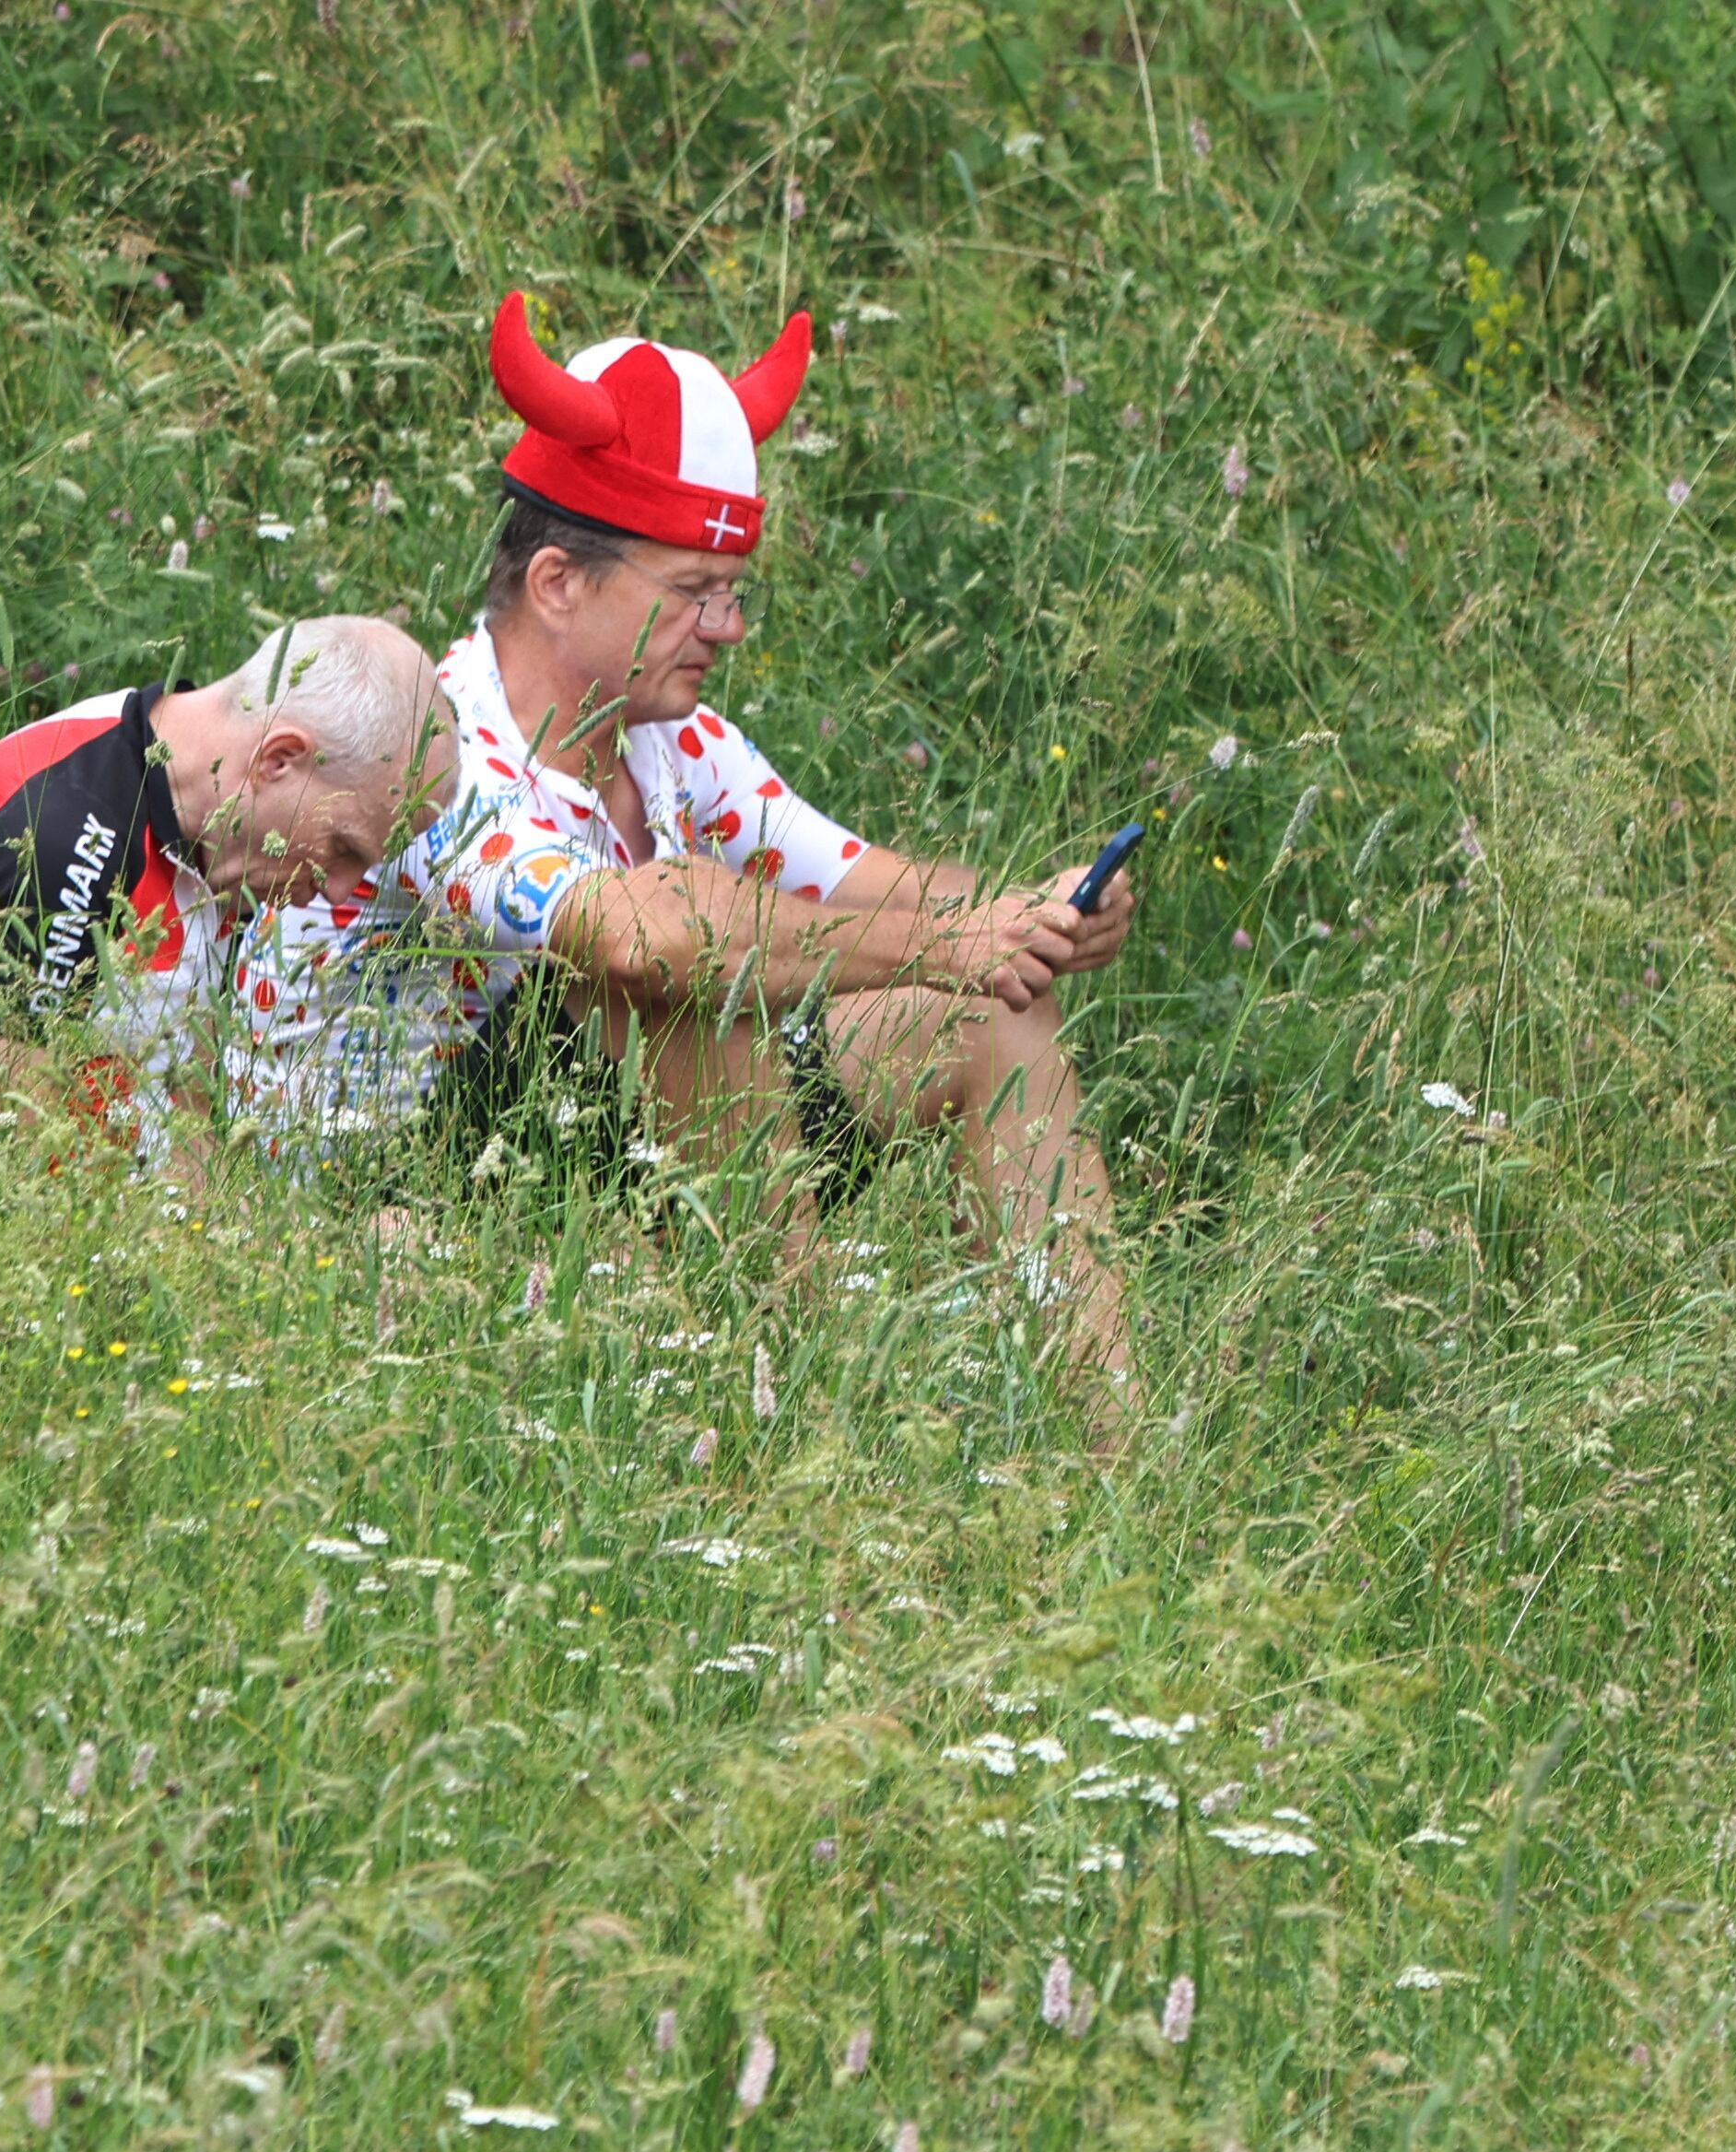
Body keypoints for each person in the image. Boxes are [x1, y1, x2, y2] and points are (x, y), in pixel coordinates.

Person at [226, 293, 1138, 1402]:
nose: (729, 628)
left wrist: (1028, 913)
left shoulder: (676, 739)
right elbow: (641, 946)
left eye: (734, 594)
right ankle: (806, 1422)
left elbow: (879, 888)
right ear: (559, 583)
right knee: (685, 967)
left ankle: (1112, 1435)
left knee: (986, 1011)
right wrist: (954, 939)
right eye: (694, 594)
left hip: (587, 1132)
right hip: (414, 1173)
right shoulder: (440, 747)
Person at [0, 615, 452, 1158]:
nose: (340, 892)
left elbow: (189, 1126)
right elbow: (15, 1178)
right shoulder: (55, 843)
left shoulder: (207, 830)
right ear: (279, 758)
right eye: (344, 848)